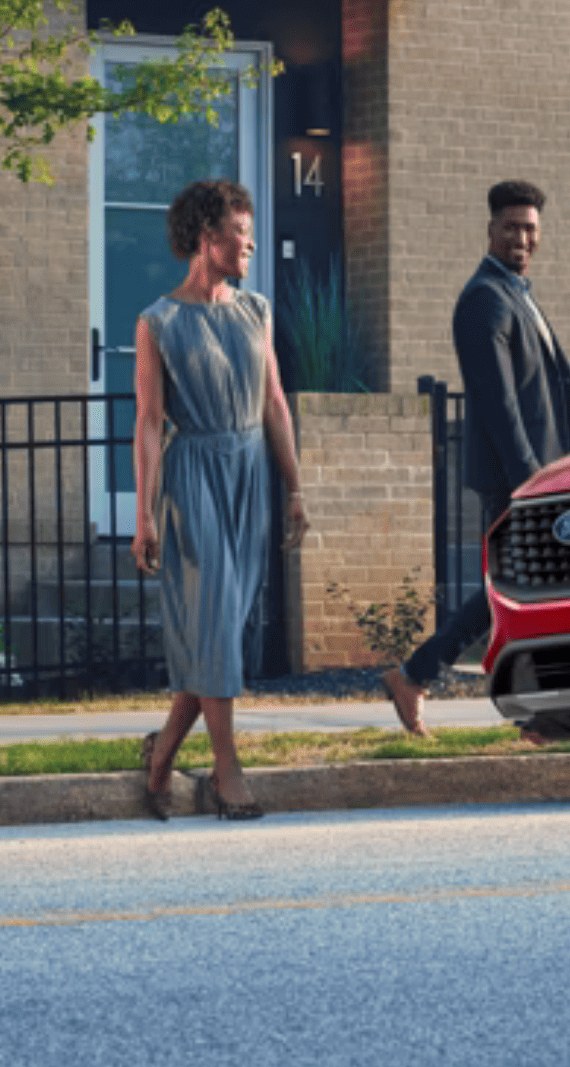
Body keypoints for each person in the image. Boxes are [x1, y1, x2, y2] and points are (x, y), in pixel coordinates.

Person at [133, 180, 311, 822]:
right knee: (212, 625)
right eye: (240, 232)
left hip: (249, 476)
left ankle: (160, 757)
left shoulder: (256, 310)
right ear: (206, 238)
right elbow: (148, 423)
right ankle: (226, 770)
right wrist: (144, 515)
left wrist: (294, 487)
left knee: (222, 631)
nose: (250, 244)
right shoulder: (158, 322)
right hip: (193, 481)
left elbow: (274, 404)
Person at [383, 180, 570, 735]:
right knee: (518, 593)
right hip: (515, 478)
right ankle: (524, 710)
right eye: (511, 227)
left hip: (541, 473)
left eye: (530, 228)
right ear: (490, 229)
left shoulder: (517, 294)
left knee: (521, 593)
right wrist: (530, 483)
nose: (522, 237)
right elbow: (499, 405)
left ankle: (425, 678)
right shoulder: (484, 299)